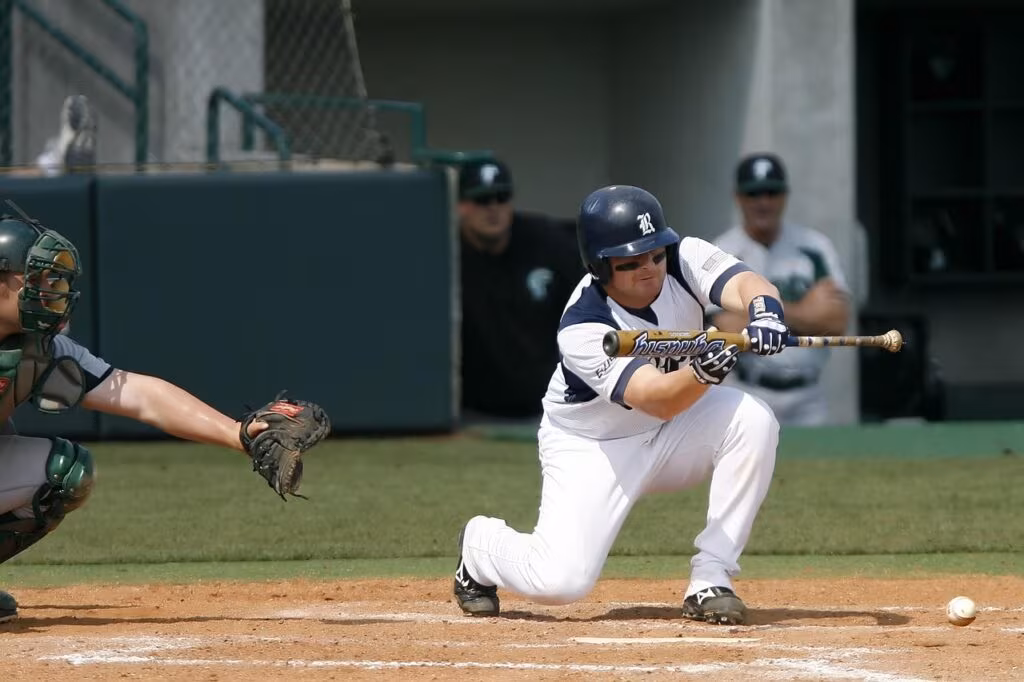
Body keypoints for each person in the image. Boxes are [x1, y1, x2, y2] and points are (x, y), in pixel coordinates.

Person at [453, 184, 787, 625]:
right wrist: (704, 371)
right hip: (593, 447)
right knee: (560, 582)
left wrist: (765, 313)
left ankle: (712, 577)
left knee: (753, 420)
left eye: (655, 254)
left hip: (673, 432)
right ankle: (479, 546)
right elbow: (655, 398)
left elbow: (749, 284)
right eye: (631, 262)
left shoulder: (684, 258)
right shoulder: (583, 326)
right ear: (600, 266)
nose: (649, 270)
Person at [0, 203, 330, 622]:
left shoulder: (40, 349)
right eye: (36, 278)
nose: (51, 289)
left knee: (65, 474)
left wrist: (237, 433)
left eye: (53, 279)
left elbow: (139, 394)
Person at [709, 152, 851, 425]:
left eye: (772, 193)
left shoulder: (813, 247)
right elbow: (723, 330)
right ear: (738, 198)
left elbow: (836, 321)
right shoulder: (723, 251)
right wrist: (804, 312)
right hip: (746, 390)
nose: (764, 203)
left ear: (785, 196)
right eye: (754, 194)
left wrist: (758, 315)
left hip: (808, 398)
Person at [457, 157, 583, 421]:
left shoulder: (549, 242)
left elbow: (589, 309)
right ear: (461, 206)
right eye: (482, 200)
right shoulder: (448, 257)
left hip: (549, 404)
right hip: (474, 410)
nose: (493, 208)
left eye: (501, 198)